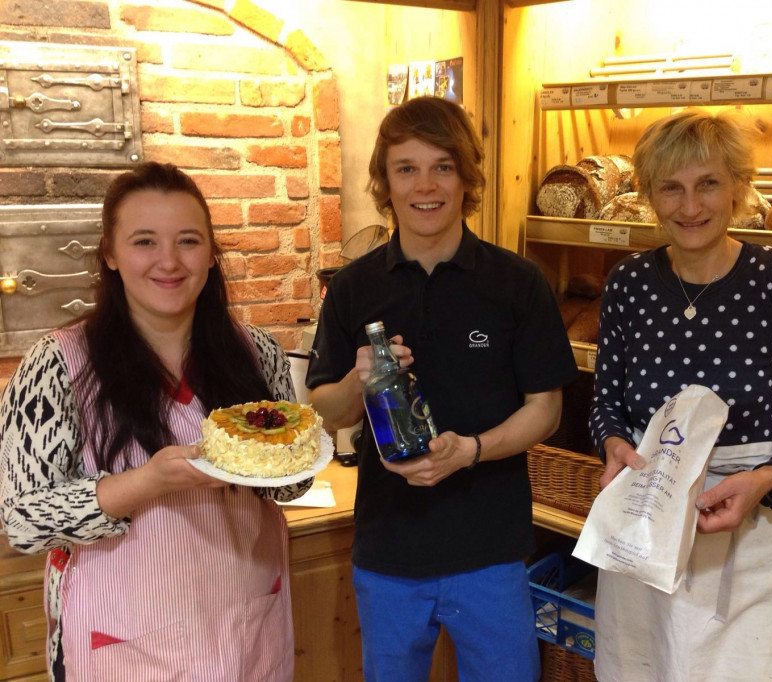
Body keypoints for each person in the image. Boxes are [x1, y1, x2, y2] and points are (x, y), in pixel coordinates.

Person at [0, 162, 311, 681]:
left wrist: (285, 458)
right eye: (144, 241)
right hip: (120, 637)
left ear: (211, 255)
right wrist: (147, 483)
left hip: (244, 622)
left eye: (188, 241)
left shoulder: (256, 353)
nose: (169, 262)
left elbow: (293, 481)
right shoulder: (58, 363)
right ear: (110, 254)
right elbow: (23, 523)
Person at [305, 96, 578, 681]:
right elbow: (325, 409)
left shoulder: (518, 283)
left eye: (442, 167)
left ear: (466, 178)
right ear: (385, 182)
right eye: (406, 168)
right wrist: (360, 379)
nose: (424, 185)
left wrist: (470, 451)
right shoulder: (353, 287)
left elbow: (546, 410)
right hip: (388, 552)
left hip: (492, 552)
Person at [588, 109, 772, 681]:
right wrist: (613, 445)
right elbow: (605, 402)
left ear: (738, 188)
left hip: (756, 529)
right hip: (647, 519)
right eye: (670, 189)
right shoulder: (629, 283)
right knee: (641, 667)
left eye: (708, 184)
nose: (691, 206)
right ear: (650, 197)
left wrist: (764, 481)